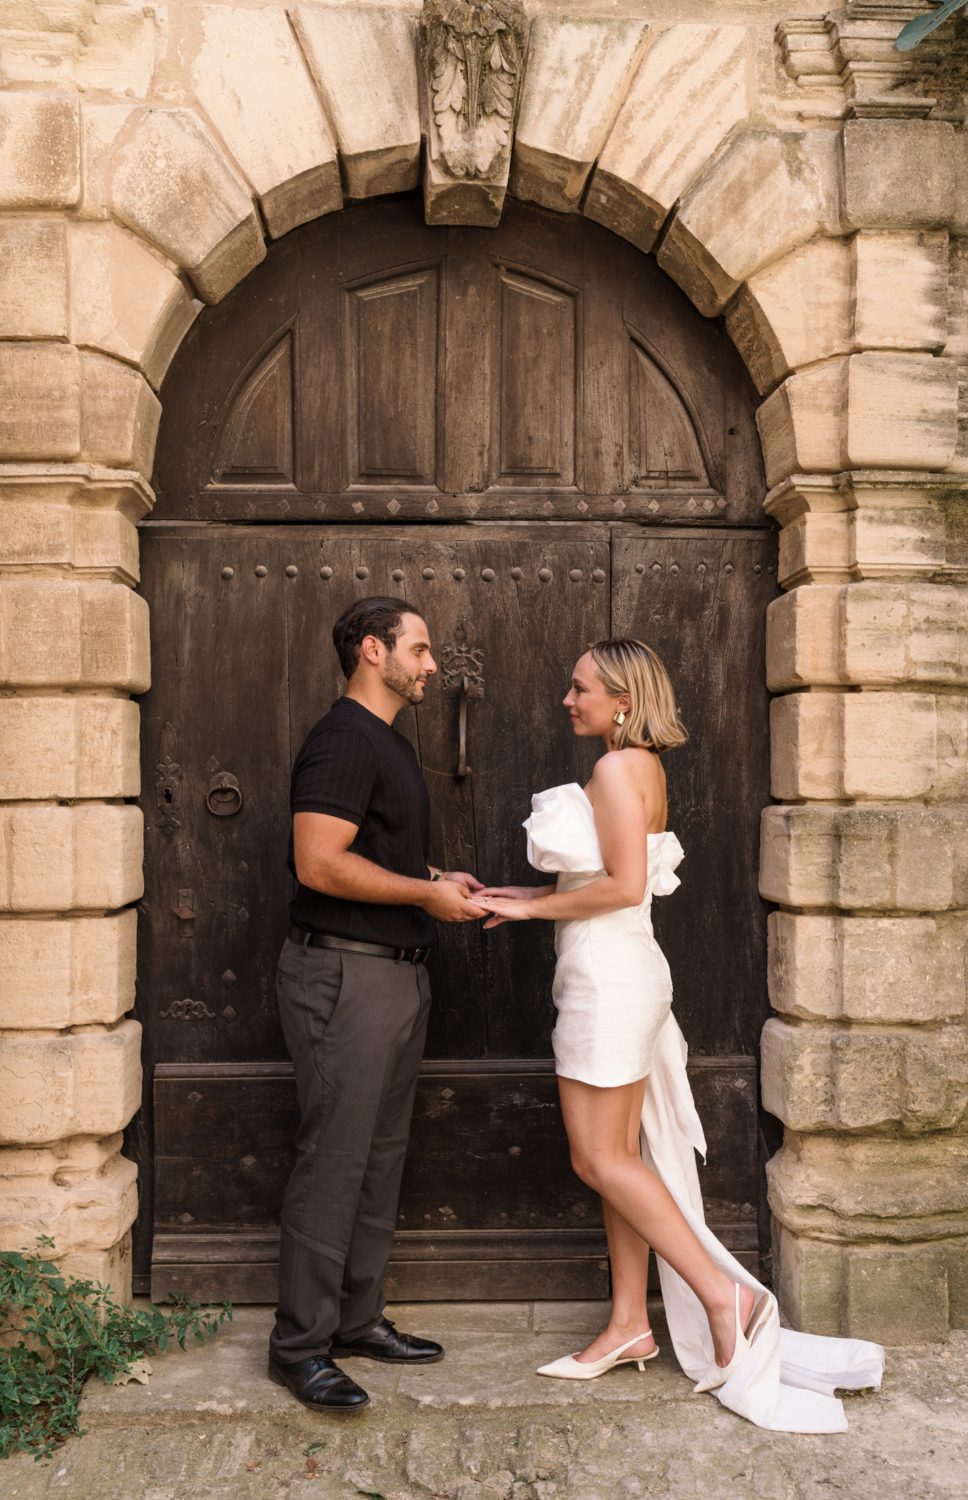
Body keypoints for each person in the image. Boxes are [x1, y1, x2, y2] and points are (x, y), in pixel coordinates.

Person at [476, 638, 884, 1433]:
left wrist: (528, 910)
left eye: (580, 686)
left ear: (622, 699)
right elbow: (607, 883)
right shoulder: (640, 768)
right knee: (621, 1159)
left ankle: (724, 1295)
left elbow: (623, 886)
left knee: (597, 1158)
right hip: (621, 968)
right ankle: (630, 1322)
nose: (568, 699)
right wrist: (517, 891)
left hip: (609, 980)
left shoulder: (615, 769)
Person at [268, 597, 487, 1413]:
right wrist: (424, 900)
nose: (432, 665)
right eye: (420, 649)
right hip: (343, 980)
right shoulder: (341, 740)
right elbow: (320, 863)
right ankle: (299, 1346)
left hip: (393, 976)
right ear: (373, 650)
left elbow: (374, 852)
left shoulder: (387, 742)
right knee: (335, 1160)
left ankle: (357, 1321)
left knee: (378, 1158)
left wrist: (433, 882)